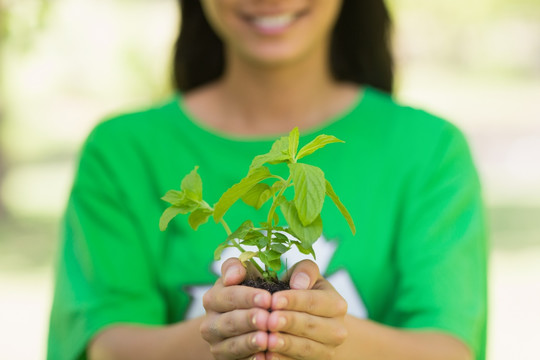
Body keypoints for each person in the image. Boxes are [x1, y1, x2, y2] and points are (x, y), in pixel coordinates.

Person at [47, 0, 488, 359]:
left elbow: (448, 346)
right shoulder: (122, 151)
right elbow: (103, 342)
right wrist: (227, 332)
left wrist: (312, 331)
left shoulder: (427, 149)